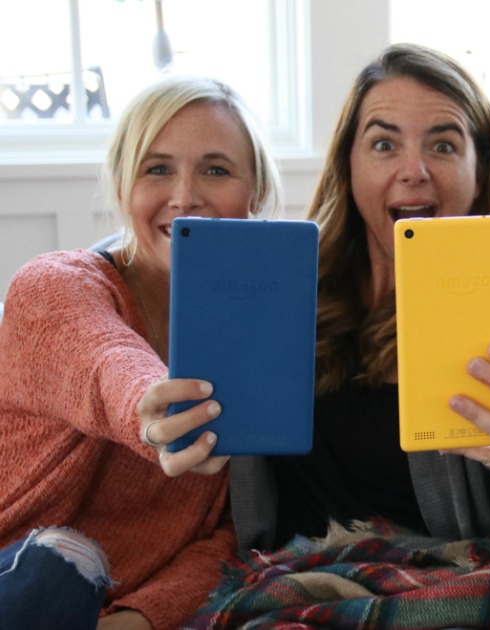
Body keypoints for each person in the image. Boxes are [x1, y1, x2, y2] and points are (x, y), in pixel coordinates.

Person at [140, 44, 490, 628]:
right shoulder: (275, 296)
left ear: (480, 174)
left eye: (444, 144)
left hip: (442, 592)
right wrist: (166, 425)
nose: (414, 169)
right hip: (292, 592)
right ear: (348, 168)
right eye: (384, 144)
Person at [0, 75, 281, 629]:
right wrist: (152, 411)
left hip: (107, 611)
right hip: (19, 574)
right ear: (124, 188)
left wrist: (138, 619)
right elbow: (107, 361)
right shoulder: (54, 288)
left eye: (216, 169)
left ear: (256, 195)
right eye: (157, 169)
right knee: (59, 563)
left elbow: (228, 533)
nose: (184, 196)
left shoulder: (261, 334)